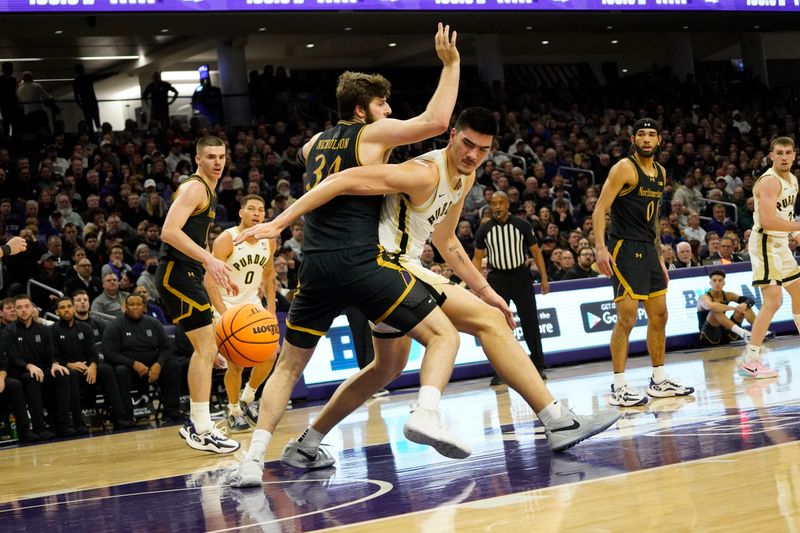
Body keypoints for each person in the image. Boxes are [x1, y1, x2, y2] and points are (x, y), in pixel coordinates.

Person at [244, 107, 620, 476]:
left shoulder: (466, 177)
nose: (473, 155)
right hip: (388, 264)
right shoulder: (422, 170)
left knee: (385, 368)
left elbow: (447, 241)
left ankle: (308, 444)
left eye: (483, 150)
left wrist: (484, 289)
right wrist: (279, 221)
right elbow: (340, 179)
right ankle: (555, 419)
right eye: (467, 144)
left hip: (399, 267)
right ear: (452, 135)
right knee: (488, 323)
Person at [229, 23, 468, 485]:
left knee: (288, 366)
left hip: (314, 264)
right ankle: (426, 412)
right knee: (443, 337)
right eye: (382, 104)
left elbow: (310, 155)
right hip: (362, 260)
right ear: (362, 110)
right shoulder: (371, 136)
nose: (389, 111)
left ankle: (253, 461)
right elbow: (437, 123)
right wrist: (451, 65)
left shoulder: (313, 144)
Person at [593, 118, 694, 407]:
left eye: (652, 135)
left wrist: (660, 255)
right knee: (627, 318)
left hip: (649, 250)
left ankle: (659, 380)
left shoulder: (660, 172)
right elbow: (601, 207)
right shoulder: (624, 167)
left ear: (659, 140)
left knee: (660, 315)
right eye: (641, 135)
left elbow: (654, 218)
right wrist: (601, 247)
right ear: (633, 139)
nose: (647, 139)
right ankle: (620, 385)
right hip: (625, 248)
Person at [157, 135, 240, 453]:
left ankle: (200, 424)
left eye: (222, 156)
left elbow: (197, 239)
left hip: (188, 273)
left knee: (207, 350)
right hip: (175, 274)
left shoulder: (210, 190)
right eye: (211, 157)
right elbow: (169, 231)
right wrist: (210, 259)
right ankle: (201, 428)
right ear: (197, 159)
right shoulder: (195, 187)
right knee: (206, 350)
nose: (218, 162)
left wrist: (216, 273)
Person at [203, 194, 277, 433]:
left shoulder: (268, 240)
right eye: (251, 209)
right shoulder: (227, 239)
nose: (257, 213)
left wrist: (272, 310)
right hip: (226, 306)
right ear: (241, 212)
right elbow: (209, 282)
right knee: (236, 364)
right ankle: (233, 410)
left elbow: (269, 274)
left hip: (253, 306)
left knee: (271, 354)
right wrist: (224, 315)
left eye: (261, 210)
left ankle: (248, 396)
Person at [739, 137, 800, 378]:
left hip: (781, 242)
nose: (784, 156)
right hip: (765, 242)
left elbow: (784, 215)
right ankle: (751, 360)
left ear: (794, 155)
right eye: (779, 153)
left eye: (788, 152)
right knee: (774, 301)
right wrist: (797, 228)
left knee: (798, 293)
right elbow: (767, 221)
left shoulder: (792, 180)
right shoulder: (769, 182)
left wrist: (794, 233)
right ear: (771, 156)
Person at [473, 191, 550, 382]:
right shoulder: (484, 229)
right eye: (494, 203)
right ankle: (499, 371)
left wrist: (544, 277)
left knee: (530, 322)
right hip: (497, 279)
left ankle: (538, 365)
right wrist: (476, 285)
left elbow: (536, 252)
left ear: (508, 205)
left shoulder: (522, 225)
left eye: (501, 203)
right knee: (497, 326)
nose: (497, 207)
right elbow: (477, 258)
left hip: (520, 276)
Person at [52, 296, 134, 431]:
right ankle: (78, 423)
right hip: (69, 369)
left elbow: (92, 351)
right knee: (70, 374)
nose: (67, 310)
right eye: (62, 307)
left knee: (106, 369)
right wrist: (69, 364)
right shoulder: (52, 330)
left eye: (69, 306)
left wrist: (93, 366)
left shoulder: (85, 328)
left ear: (73, 308)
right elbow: (53, 356)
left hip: (88, 368)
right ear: (56, 312)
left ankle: (119, 417)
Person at [102, 294, 184, 422]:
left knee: (174, 366)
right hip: (128, 366)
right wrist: (133, 363)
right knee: (120, 371)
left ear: (144, 307)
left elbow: (167, 348)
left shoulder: (153, 323)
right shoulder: (115, 325)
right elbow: (109, 353)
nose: (135, 308)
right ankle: (126, 416)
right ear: (124, 307)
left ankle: (171, 410)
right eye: (131, 304)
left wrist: (158, 364)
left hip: (152, 366)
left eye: (138, 304)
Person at [3, 294, 72, 438]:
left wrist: (54, 364)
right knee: (33, 377)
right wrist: (29, 366)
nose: (24, 310)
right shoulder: (9, 332)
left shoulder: (43, 329)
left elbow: (50, 353)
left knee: (62, 374)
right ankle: (39, 427)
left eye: (27, 306)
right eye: (19, 307)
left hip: (41, 370)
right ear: (15, 310)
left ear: (33, 308)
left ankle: (64, 424)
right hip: (20, 373)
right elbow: (13, 358)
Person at [697, 269, 773, 347]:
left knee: (745, 306)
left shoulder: (727, 295)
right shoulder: (704, 297)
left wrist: (744, 304)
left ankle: (761, 331)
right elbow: (710, 306)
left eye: (720, 281)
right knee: (715, 310)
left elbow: (750, 300)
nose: (717, 283)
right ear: (710, 283)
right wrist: (734, 308)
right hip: (709, 337)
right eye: (714, 280)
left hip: (727, 334)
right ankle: (744, 333)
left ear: (724, 283)